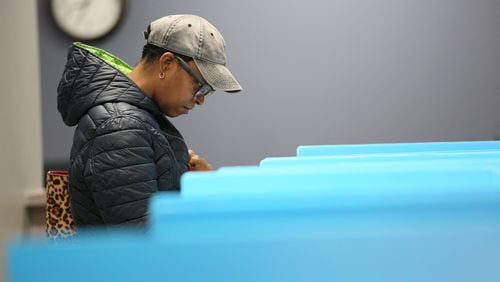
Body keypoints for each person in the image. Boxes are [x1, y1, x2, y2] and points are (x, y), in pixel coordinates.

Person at [57, 14, 242, 229]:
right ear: (167, 64)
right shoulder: (119, 126)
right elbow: (144, 242)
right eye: (201, 86)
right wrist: (204, 193)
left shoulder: (132, 120)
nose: (200, 99)